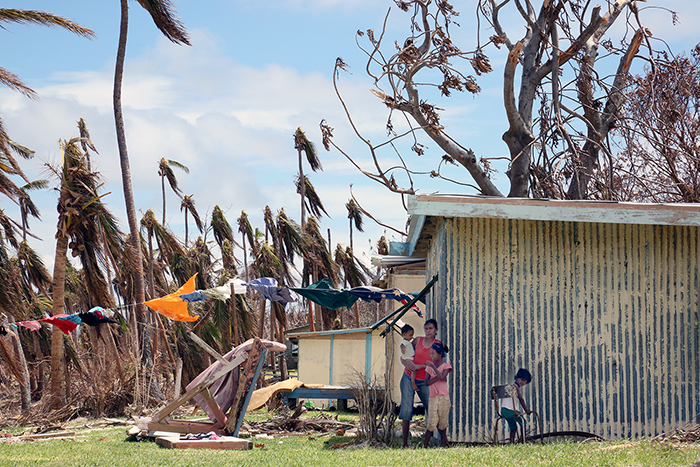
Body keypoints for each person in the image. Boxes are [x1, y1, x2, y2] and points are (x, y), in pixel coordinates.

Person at [399, 318, 439, 448]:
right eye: (426, 328)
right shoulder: (417, 340)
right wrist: (404, 362)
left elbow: (436, 366)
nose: (428, 331)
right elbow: (404, 355)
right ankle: (405, 443)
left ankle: (437, 440)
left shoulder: (437, 345)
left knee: (432, 409)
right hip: (408, 377)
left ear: (436, 330)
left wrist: (419, 367)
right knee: (406, 409)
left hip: (424, 381)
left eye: (431, 328)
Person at [424, 342, 452, 448]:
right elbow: (427, 382)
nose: (431, 356)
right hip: (433, 397)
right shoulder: (429, 367)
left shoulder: (446, 366)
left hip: (444, 397)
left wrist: (434, 372)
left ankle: (444, 443)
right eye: (430, 353)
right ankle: (425, 445)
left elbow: (442, 377)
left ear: (440, 354)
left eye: (433, 353)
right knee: (431, 422)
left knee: (443, 421)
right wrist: (437, 377)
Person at [501, 368, 532, 443]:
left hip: (503, 411)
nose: (523, 382)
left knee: (513, 427)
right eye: (522, 379)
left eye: (525, 381)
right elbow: (521, 399)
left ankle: (511, 443)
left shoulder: (509, 387)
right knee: (523, 421)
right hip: (510, 411)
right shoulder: (515, 387)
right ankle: (523, 441)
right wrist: (526, 410)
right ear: (516, 377)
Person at [399, 324, 418, 392]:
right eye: (410, 335)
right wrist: (403, 350)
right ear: (404, 334)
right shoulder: (404, 342)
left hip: (409, 357)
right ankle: (413, 382)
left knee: (413, 369)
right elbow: (402, 346)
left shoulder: (408, 342)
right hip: (408, 358)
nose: (411, 337)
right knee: (413, 370)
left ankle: (413, 382)